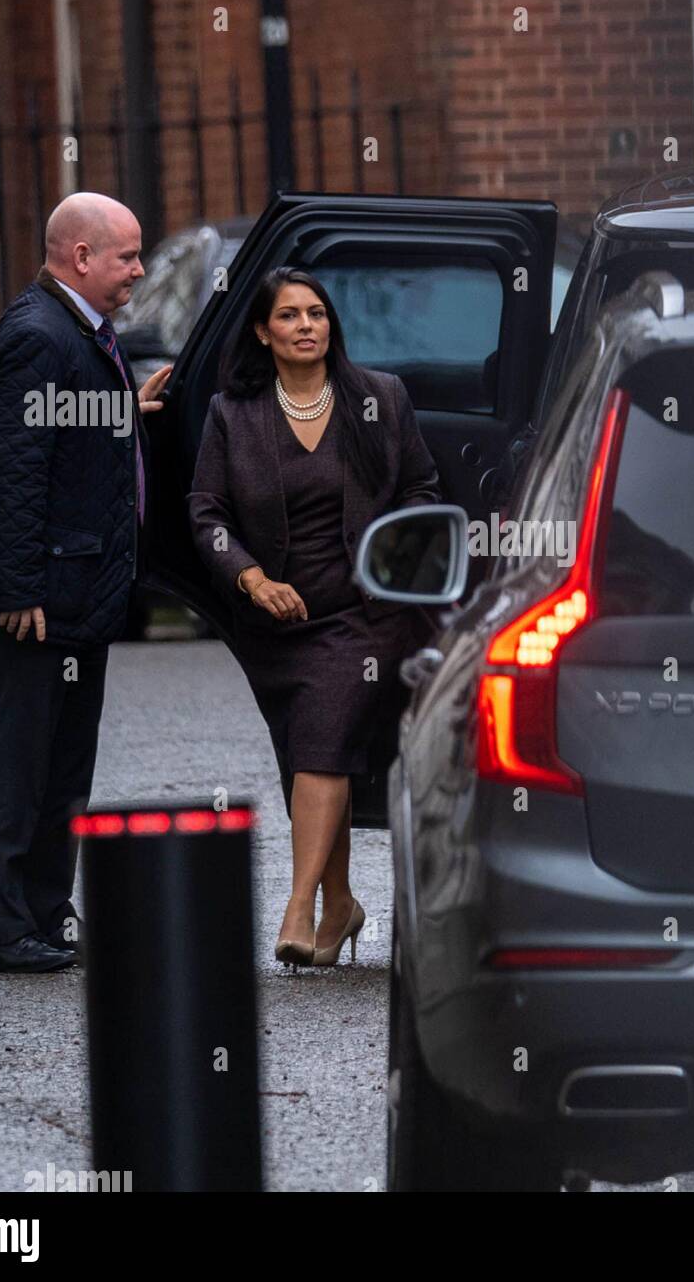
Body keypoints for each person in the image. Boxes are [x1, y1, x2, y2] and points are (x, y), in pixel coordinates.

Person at [0, 192, 172, 973]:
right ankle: (6, 929)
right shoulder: (38, 336)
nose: (139, 270)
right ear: (81, 257)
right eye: (127, 256)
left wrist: (127, 407)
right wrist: (17, 591)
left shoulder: (74, 330)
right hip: (38, 598)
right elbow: (13, 471)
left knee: (66, 762)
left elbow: (60, 433)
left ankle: (45, 912)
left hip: (79, 592)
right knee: (22, 761)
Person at [188, 267, 439, 968]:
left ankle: (299, 908)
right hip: (276, 619)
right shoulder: (232, 415)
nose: (306, 326)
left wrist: (393, 553)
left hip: (367, 616)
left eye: (317, 314)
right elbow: (204, 511)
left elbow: (421, 487)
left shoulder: (380, 399)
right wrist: (250, 576)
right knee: (304, 756)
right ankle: (342, 905)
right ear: (263, 333)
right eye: (290, 316)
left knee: (322, 741)